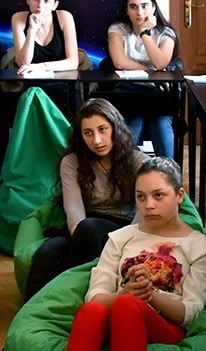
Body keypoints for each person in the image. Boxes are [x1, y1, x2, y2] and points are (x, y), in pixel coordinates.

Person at [59, 157, 206, 351]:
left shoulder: (200, 247)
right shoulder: (120, 237)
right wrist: (124, 293)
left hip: (164, 324)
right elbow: (95, 296)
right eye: (141, 197)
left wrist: (150, 296)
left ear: (179, 195)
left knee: (128, 306)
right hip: (116, 315)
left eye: (158, 195)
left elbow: (191, 312)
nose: (149, 205)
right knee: (90, 311)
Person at [26, 99, 148, 299]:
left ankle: (77, 300)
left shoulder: (138, 162)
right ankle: (34, 312)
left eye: (102, 130)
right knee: (47, 252)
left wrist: (122, 246)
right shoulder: (71, 162)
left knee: (89, 229)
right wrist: (82, 236)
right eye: (88, 133)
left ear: (115, 128)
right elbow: (75, 216)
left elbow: (145, 210)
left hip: (125, 229)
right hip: (83, 229)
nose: (97, 140)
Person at [105, 0, 181, 158]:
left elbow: (160, 63)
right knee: (133, 122)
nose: (139, 12)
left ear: (153, 7)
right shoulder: (117, 30)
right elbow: (119, 62)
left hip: (157, 93)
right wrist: (151, 72)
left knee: (161, 124)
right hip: (128, 91)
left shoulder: (166, 32)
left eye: (144, 6)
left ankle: (168, 172)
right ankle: (124, 171)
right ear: (127, 10)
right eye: (133, 7)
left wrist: (145, 33)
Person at [8, 0, 79, 75]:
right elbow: (23, 63)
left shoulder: (64, 17)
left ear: (55, 5)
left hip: (62, 79)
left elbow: (73, 62)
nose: (40, 5)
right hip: (30, 80)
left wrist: (42, 67)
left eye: (46, 1)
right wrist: (31, 30)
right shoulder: (18, 18)